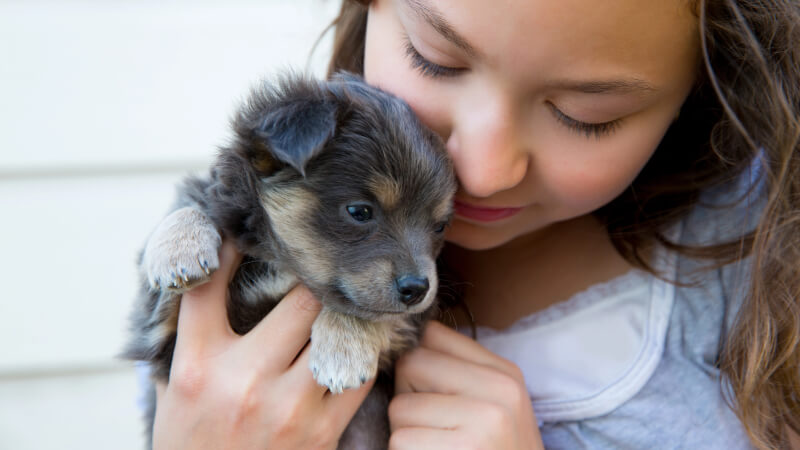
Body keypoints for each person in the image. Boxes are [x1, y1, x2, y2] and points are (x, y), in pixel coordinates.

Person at [149, 0, 800, 448]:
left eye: (585, 114)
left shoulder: (761, 248)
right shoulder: (245, 248)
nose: (483, 173)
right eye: (437, 60)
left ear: (704, 85)